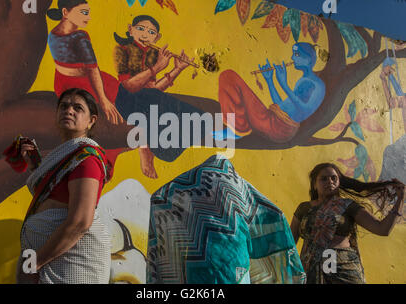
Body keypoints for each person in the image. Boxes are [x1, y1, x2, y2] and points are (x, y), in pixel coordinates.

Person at [13, 88, 121, 284]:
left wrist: (36, 263)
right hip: (51, 257)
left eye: (77, 108)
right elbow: (55, 195)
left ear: (91, 121)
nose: (69, 110)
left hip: (72, 262)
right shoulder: (62, 158)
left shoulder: (87, 159)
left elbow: (80, 221)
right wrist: (36, 167)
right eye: (64, 106)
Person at [47, 0, 161, 179]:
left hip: (64, 83)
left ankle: (140, 148)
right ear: (66, 12)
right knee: (123, 112)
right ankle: (134, 148)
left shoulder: (53, 33)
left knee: (129, 111)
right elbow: (92, 71)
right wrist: (104, 100)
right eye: (84, 12)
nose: (89, 17)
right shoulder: (80, 37)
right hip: (86, 83)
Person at [147, 154, 306, 284]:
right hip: (234, 266)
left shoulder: (181, 195)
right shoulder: (239, 189)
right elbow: (269, 213)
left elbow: (159, 199)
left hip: (194, 270)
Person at [112, 15, 208, 174]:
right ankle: (146, 150)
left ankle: (161, 150)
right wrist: (157, 68)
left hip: (147, 97)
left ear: (157, 37)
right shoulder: (122, 49)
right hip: (126, 99)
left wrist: (177, 69)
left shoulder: (153, 54)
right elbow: (128, 86)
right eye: (140, 29)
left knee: (202, 120)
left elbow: (154, 88)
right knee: (154, 110)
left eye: (151, 32)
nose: (145, 35)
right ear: (130, 30)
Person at [290, 163, 405, 284]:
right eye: (324, 178)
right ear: (314, 184)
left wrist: (400, 199)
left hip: (343, 268)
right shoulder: (304, 208)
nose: (330, 181)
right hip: (310, 268)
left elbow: (382, 229)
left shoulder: (348, 206)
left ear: (339, 182)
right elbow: (290, 242)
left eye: (334, 178)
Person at [214, 42, 325, 142]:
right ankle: (238, 127)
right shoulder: (303, 80)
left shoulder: (317, 85)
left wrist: (284, 85)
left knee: (229, 77)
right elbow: (281, 106)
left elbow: (304, 111)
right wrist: (270, 81)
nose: (292, 57)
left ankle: (237, 129)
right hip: (276, 121)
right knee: (229, 77)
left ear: (308, 59)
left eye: (296, 55)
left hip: (279, 128)